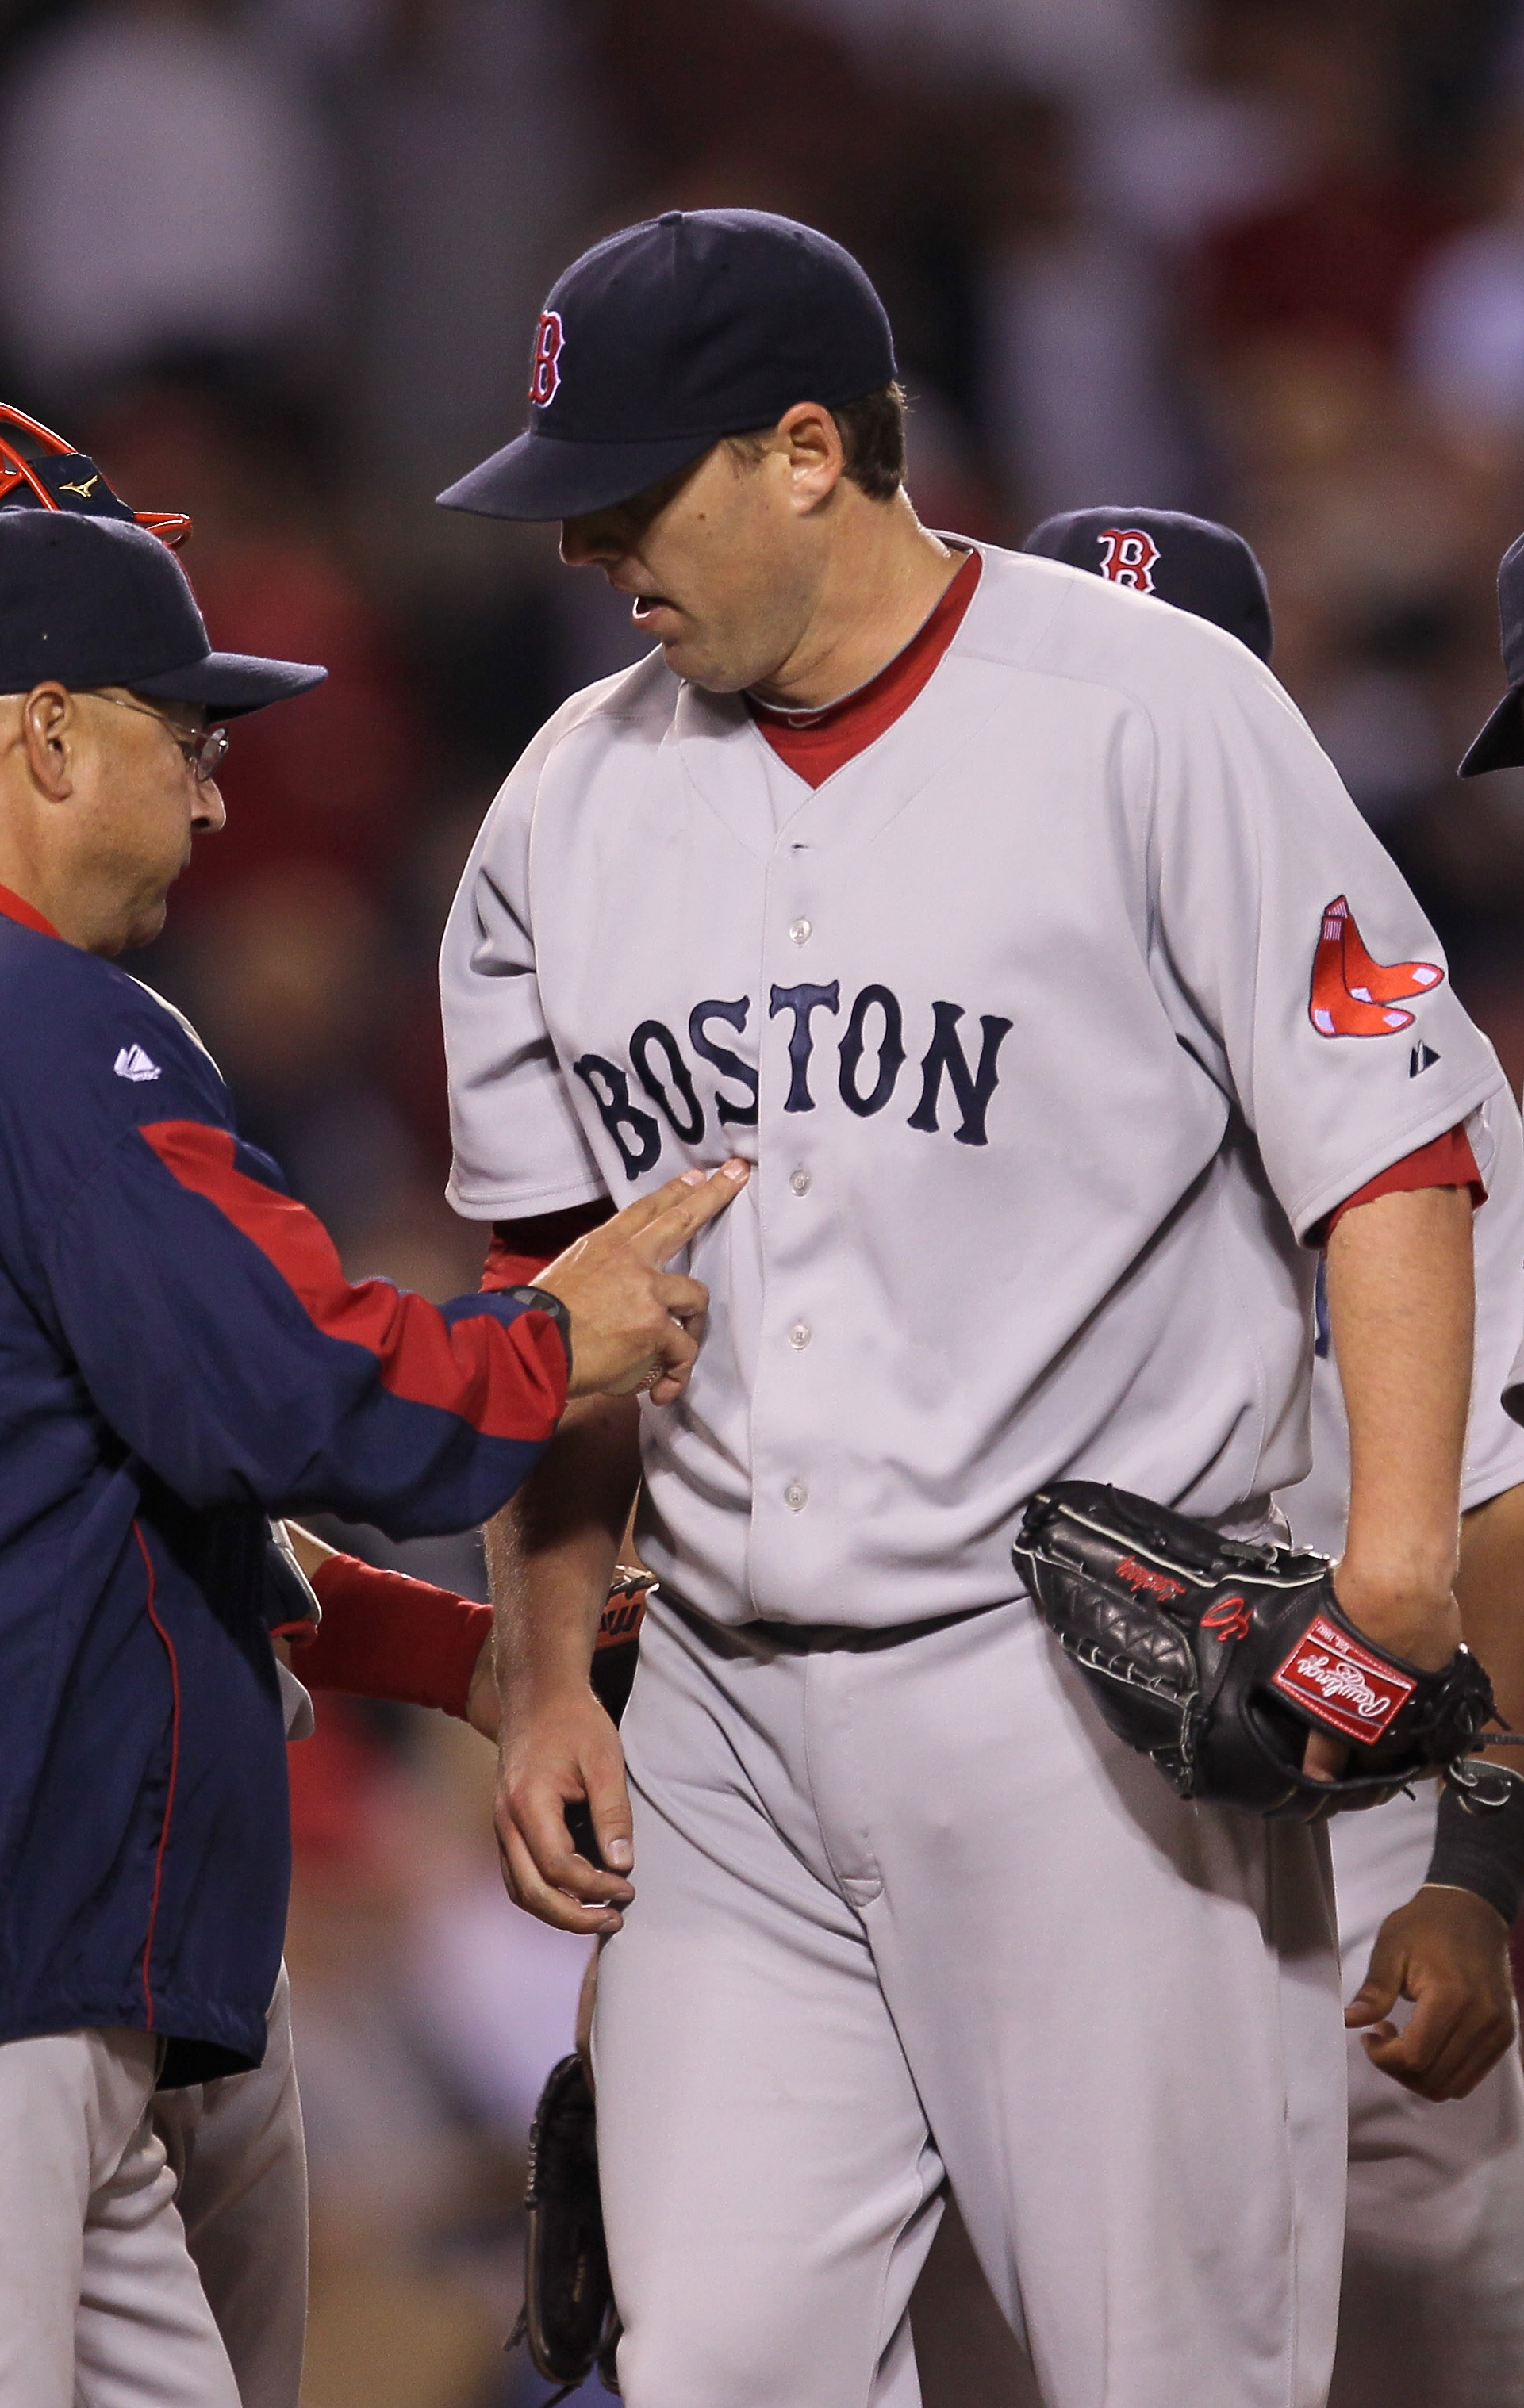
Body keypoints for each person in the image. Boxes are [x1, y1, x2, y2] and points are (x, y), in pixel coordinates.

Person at [435, 207, 1505, 2408]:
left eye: (628, 492)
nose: (583, 551)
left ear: (805, 449)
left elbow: (1388, 1132)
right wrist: (548, 1661)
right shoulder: (562, 804)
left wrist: (1393, 1567)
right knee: (714, 2362)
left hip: (1085, 1713)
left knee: (1161, 2371)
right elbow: (547, 1305)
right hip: (720, 1719)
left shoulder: (1144, 709)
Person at [0, 504, 743, 2408]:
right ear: (51, 737)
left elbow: (82, 1487)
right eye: (193, 741)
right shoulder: (19, 1017)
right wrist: (558, 1339)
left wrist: (443, 1654)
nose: (221, 804)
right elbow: (291, 1390)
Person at [900, 504, 1524, 2408]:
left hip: (1364, 1811)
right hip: (977, 1831)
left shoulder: (1388, 1038)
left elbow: (1496, 1489)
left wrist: (1485, 1850)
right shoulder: (899, 1041)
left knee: (1428, 2331)